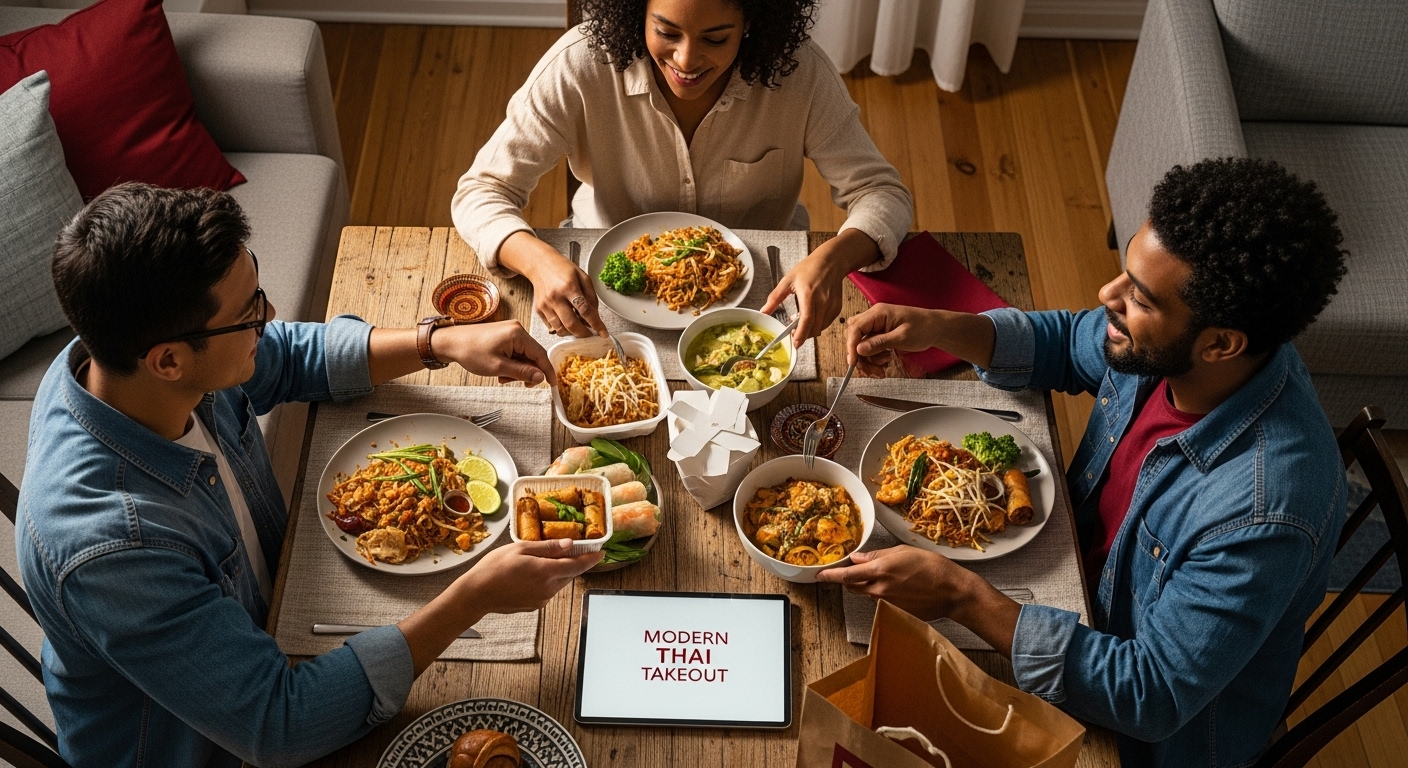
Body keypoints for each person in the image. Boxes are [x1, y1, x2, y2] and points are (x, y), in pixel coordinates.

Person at [16, 183, 601, 767]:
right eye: (248, 315)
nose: (269, 317)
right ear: (169, 361)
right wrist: (475, 596)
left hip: (273, 611)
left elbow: (287, 355)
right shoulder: (113, 546)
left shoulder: (120, 358)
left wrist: (439, 342)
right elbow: (281, 723)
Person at [821, 158, 1350, 766]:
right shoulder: (1184, 352)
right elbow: (1070, 343)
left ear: (1221, 343)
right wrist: (943, 328)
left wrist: (961, 598)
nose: (1107, 297)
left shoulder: (1265, 511)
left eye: (1139, 299)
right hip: (1069, 584)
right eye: (1125, 273)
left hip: (1134, 731)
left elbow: (1149, 695)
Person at [452, 0, 912, 346]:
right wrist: (537, 262)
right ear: (636, 12)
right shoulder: (578, 64)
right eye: (666, 32)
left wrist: (833, 259)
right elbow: (482, 191)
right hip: (599, 289)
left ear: (751, 23)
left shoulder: (802, 73)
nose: (687, 61)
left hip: (767, 289)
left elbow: (881, 192)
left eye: (716, 39)